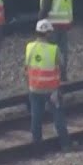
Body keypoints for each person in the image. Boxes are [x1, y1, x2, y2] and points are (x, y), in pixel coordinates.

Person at [25, 20, 71, 150]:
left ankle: (37, 146)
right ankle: (65, 145)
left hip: (34, 88)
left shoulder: (29, 47)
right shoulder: (54, 49)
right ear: (47, 33)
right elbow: (62, 65)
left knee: (36, 118)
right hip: (52, 90)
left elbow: (26, 66)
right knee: (58, 117)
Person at [37, 0, 77, 80]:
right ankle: (63, 75)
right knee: (63, 50)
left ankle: (52, 75)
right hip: (65, 22)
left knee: (51, 50)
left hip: (51, 23)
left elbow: (46, 5)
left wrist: (40, 20)